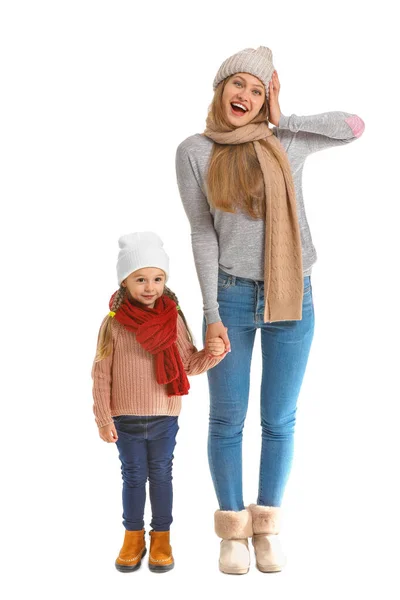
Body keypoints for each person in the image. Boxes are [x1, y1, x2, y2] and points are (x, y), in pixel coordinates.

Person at [175, 46, 365, 574]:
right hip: (231, 297)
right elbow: (201, 231)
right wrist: (211, 309)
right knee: (227, 417)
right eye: (239, 85)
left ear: (267, 98)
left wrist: (286, 116)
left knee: (279, 419)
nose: (246, 97)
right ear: (221, 89)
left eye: (258, 90)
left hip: (292, 296)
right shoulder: (194, 150)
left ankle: (267, 528)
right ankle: (232, 531)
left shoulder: (286, 141)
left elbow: (355, 125)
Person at [92, 232, 226, 573]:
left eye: (157, 278)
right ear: (125, 281)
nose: (150, 286)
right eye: (140, 279)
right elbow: (101, 375)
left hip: (164, 416)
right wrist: (104, 419)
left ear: (165, 280)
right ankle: (133, 537)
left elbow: (188, 364)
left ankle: (162, 537)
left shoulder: (174, 320)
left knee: (162, 475)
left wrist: (212, 355)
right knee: (134, 477)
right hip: (126, 419)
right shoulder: (113, 325)